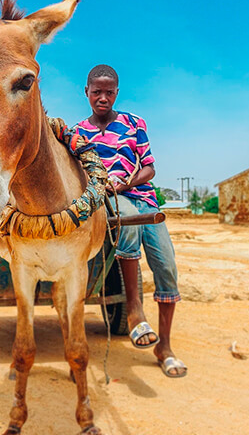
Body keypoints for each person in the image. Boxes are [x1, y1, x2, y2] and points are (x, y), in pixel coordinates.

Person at [75, 64, 187, 378]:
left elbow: (150, 168)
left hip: (144, 198)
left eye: (109, 92)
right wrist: (104, 186)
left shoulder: (133, 123)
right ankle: (135, 310)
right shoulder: (77, 133)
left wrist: (127, 182)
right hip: (108, 201)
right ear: (87, 92)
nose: (103, 97)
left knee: (166, 265)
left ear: (117, 93)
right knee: (126, 221)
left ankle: (164, 346)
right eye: (97, 92)